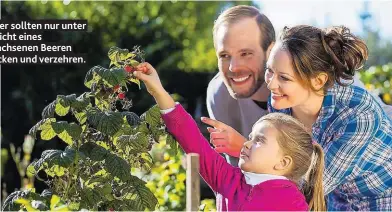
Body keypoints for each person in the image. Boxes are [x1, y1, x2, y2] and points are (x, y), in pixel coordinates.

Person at [204, 5, 392, 166]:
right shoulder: (221, 94)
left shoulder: (341, 92)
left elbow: (312, 184)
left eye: (246, 53)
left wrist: (244, 146)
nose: (233, 67)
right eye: (224, 55)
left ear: (270, 50)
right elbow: (239, 178)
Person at [133, 62, 326, 211]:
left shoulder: (292, 203)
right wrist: (158, 90)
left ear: (283, 163)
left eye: (259, 140)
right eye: (251, 137)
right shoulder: (227, 179)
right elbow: (191, 139)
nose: (247, 144)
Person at [265, 25, 392, 210]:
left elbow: (309, 188)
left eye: (284, 78)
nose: (271, 84)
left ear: (318, 80)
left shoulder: (358, 114)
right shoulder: (281, 104)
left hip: (381, 199)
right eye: (269, 71)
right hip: (336, 199)